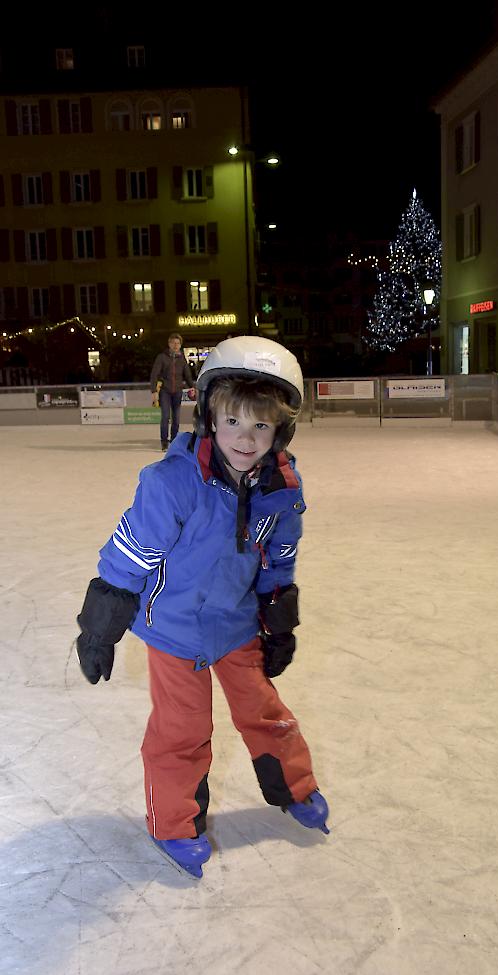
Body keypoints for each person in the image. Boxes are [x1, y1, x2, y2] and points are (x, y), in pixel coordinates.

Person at [75, 335, 329, 879]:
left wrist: (278, 622)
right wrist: (101, 626)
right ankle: (173, 822)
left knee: (265, 713)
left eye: (261, 426)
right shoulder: (172, 484)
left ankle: (295, 787)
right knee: (182, 730)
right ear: (210, 417)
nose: (245, 437)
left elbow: (278, 560)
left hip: (236, 625)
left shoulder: (280, 490)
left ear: (279, 431)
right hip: (175, 631)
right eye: (233, 421)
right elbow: (129, 553)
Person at [150, 333, 196, 452]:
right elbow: (154, 374)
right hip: (165, 391)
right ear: (169, 344)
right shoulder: (162, 357)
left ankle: (174, 441)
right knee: (165, 417)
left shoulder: (182, 358)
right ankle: (164, 442)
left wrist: (192, 386)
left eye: (178, 343)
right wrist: (154, 391)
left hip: (177, 392)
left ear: (180, 345)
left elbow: (187, 375)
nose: (176, 345)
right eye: (173, 343)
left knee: (176, 419)